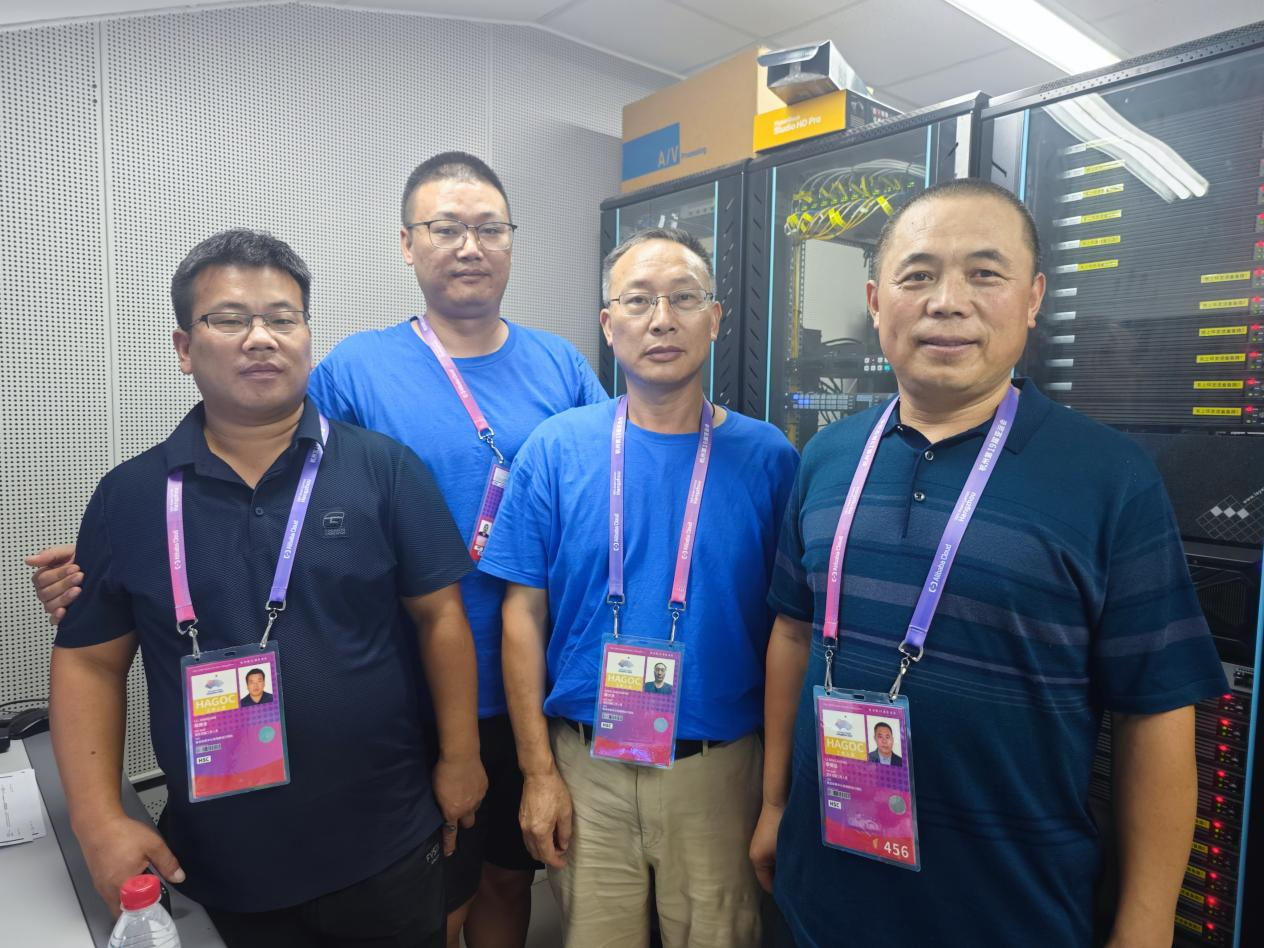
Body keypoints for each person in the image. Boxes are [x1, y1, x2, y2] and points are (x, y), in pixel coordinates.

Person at [30, 152, 606, 948]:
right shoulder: (353, 373)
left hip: (522, 680)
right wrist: (104, 569)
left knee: (508, 877)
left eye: (489, 228)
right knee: (450, 894)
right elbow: (258, 451)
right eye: (446, 227)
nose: (260, 340)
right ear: (407, 243)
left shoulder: (555, 368)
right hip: (412, 709)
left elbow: (603, 490)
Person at [752, 179, 1227, 946]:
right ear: (875, 302)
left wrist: (1145, 924)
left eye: (984, 273)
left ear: (1032, 298)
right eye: (918, 275)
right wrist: (775, 804)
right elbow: (794, 634)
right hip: (823, 894)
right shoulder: (827, 457)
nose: (948, 302)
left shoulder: (1110, 479)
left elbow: (1156, 711)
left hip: (1011, 914)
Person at [48, 230, 486, 947]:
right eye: (229, 319)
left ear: (307, 338)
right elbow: (90, 662)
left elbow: (441, 618)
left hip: (386, 844)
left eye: (283, 318)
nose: (261, 338)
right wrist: (97, 820)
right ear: (184, 348)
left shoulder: (385, 470)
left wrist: (462, 757)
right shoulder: (129, 497)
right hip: (217, 863)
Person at [481, 228, 799, 947]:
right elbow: (522, 615)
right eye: (638, 300)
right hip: (584, 767)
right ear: (608, 323)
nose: (662, 319)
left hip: (720, 773)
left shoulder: (769, 459)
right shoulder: (556, 449)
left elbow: (793, 630)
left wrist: (777, 795)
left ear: (714, 319)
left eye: (684, 298)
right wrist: (538, 773)